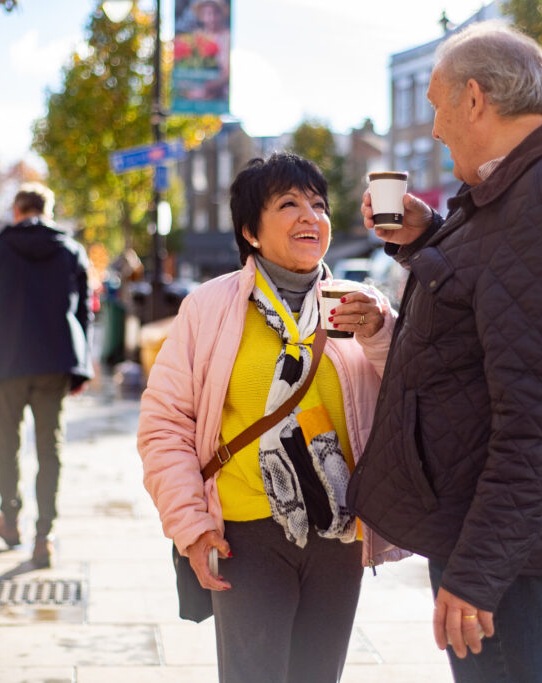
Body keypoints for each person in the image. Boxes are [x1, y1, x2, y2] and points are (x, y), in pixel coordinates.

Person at [346, 22, 542, 682]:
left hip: (498, 538)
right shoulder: (531, 182)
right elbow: (499, 297)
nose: (437, 129)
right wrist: (427, 236)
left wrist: (477, 572)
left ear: (475, 98)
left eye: (439, 105)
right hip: (493, 524)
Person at [137, 153, 405, 683]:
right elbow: (164, 423)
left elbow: (414, 387)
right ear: (250, 232)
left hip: (340, 533)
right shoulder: (209, 308)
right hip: (247, 534)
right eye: (289, 204)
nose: (311, 216)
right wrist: (191, 527)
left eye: (319, 204)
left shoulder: (360, 305)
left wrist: (379, 330)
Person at [0, 183, 92, 569]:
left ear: (18, 211)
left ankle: (10, 520)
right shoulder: (70, 251)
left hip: (6, 362)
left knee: (7, 445)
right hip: (54, 363)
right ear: (47, 212)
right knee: (50, 449)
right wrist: (80, 367)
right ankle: (44, 535)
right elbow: (84, 313)